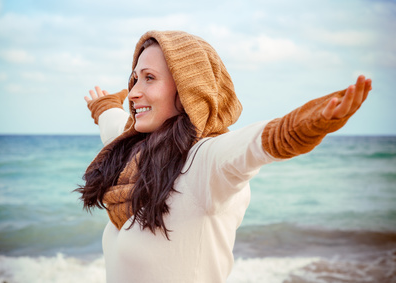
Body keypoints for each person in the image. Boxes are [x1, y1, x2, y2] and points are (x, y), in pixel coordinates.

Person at [76, 30, 372, 283]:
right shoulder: (131, 150)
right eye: (134, 79)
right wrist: (103, 106)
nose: (132, 93)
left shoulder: (204, 162)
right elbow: (114, 126)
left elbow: (255, 145)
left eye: (149, 78)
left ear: (189, 90)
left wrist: (309, 123)